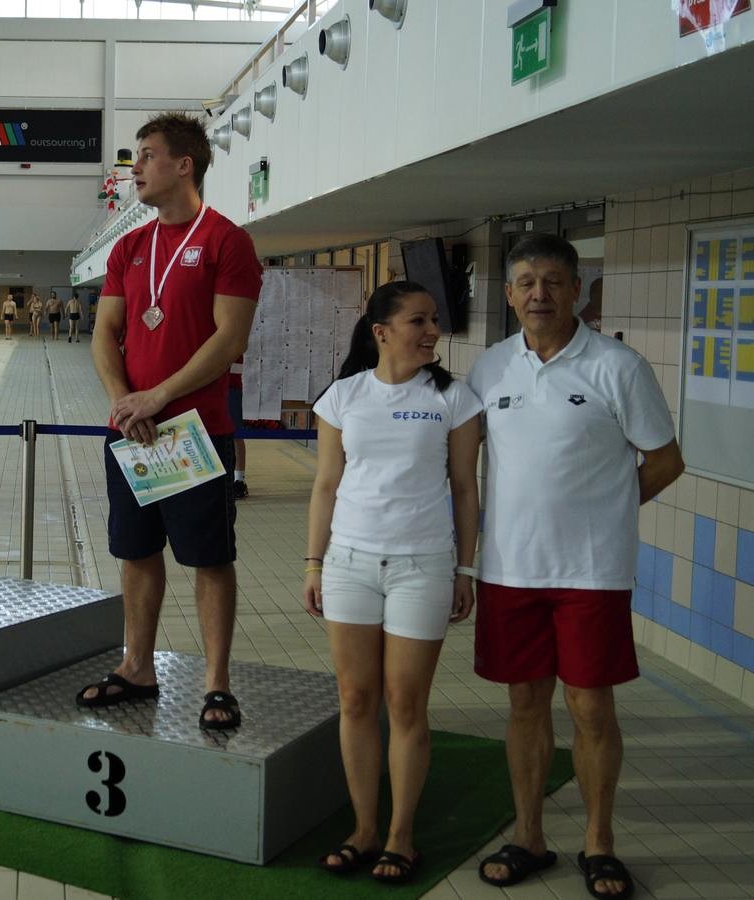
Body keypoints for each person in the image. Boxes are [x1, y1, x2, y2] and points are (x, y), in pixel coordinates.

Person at [470, 234, 684, 899]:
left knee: (590, 706)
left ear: (576, 290)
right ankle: (529, 836)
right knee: (524, 703)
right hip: (509, 568)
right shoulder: (489, 368)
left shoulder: (618, 366)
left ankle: (598, 842)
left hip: (590, 572)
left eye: (553, 282)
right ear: (510, 295)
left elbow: (664, 460)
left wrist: (609, 509)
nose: (539, 294)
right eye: (526, 283)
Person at [80, 112, 261, 729]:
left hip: (196, 434)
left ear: (184, 165)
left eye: (147, 155)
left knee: (209, 558)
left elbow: (229, 339)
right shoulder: (129, 247)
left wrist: (157, 397)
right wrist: (124, 401)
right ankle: (137, 666)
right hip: (132, 433)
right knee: (136, 552)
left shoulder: (227, 242)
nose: (135, 167)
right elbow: (105, 333)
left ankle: (216, 685)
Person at [304, 281, 481, 885]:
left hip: (422, 566)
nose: (432, 331)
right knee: (355, 700)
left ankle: (401, 836)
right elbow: (326, 485)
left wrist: (464, 569)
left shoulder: (454, 398)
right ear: (381, 332)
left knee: (405, 704)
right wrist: (313, 563)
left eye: (433, 320)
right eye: (418, 321)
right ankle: (364, 829)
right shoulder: (343, 396)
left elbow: (465, 489)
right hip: (349, 564)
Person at [227, 354, 248, 498]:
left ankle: (239, 480)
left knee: (236, 435)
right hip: (209, 388)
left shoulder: (235, 342)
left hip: (232, 388)